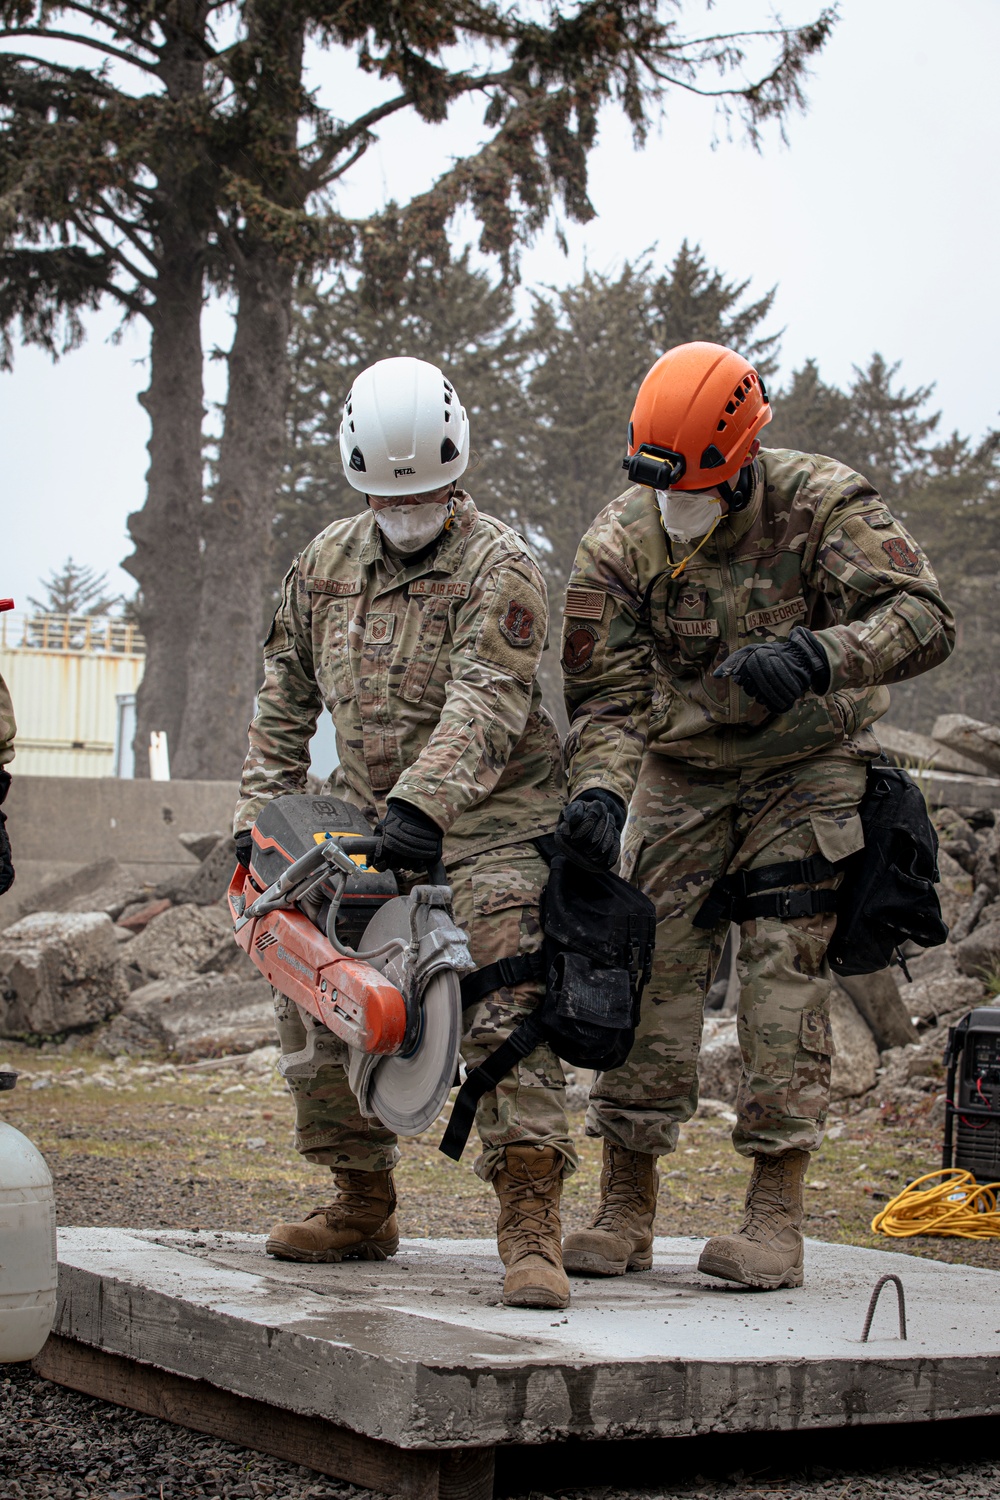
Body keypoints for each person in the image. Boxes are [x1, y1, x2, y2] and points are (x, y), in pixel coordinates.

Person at [555, 341, 954, 1289]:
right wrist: (604, 790)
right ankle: (625, 1204)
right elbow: (606, 694)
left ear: (742, 464)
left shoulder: (823, 502)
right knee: (648, 972)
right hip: (681, 769)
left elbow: (927, 616)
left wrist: (822, 655)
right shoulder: (619, 542)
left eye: (696, 491)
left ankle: (775, 1216)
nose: (676, 510)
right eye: (663, 491)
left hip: (806, 764)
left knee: (784, 975)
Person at [234, 356, 574, 1309]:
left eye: (425, 491)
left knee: (506, 977)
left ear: (455, 469)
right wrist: (257, 825)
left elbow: (488, 696)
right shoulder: (326, 565)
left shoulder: (502, 567)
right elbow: (281, 704)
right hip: (366, 814)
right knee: (306, 965)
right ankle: (360, 1195)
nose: (409, 507)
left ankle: (531, 1218)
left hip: (491, 818)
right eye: (391, 494)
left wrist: (426, 808)